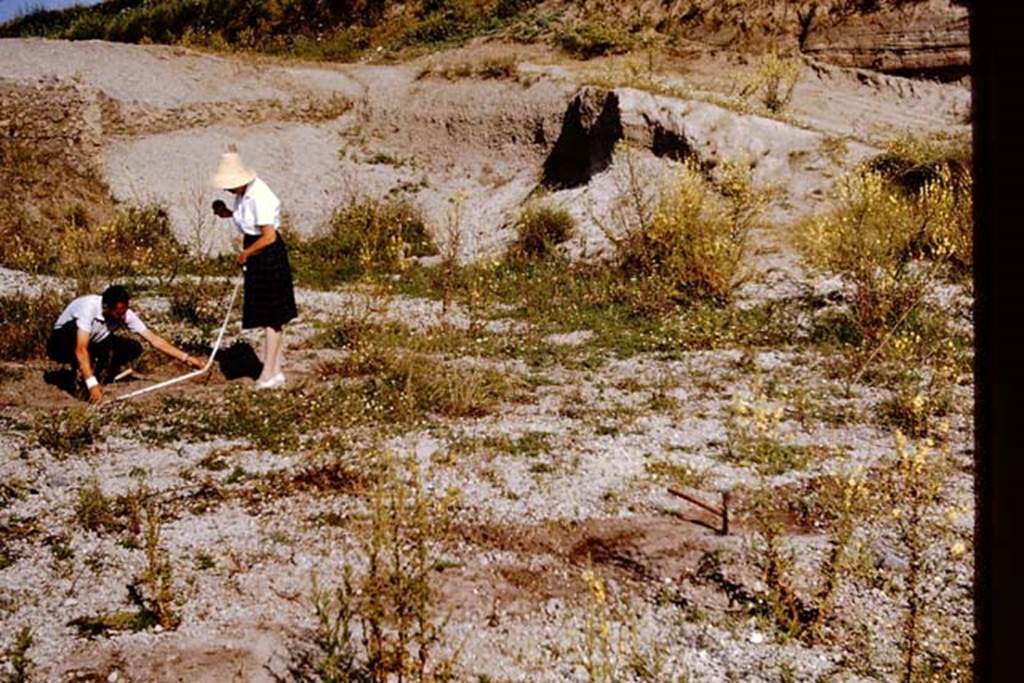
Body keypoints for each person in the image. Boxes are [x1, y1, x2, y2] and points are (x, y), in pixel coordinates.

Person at [210, 151, 297, 389]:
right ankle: (274, 371)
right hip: (256, 249)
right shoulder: (243, 194)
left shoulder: (260, 195)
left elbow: (268, 236)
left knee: (273, 315)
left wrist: (246, 254)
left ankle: (268, 372)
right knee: (266, 313)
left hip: (267, 254)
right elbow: (248, 221)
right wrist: (227, 213)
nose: (227, 190)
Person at [48, 285, 204, 403]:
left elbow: (154, 340)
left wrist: (187, 358)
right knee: (73, 332)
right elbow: (81, 348)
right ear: (106, 308)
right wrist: (91, 384)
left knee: (132, 347)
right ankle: (83, 380)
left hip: (93, 342)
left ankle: (102, 375)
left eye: (124, 312)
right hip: (61, 343)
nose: (123, 317)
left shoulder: (124, 314)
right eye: (119, 313)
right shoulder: (88, 308)